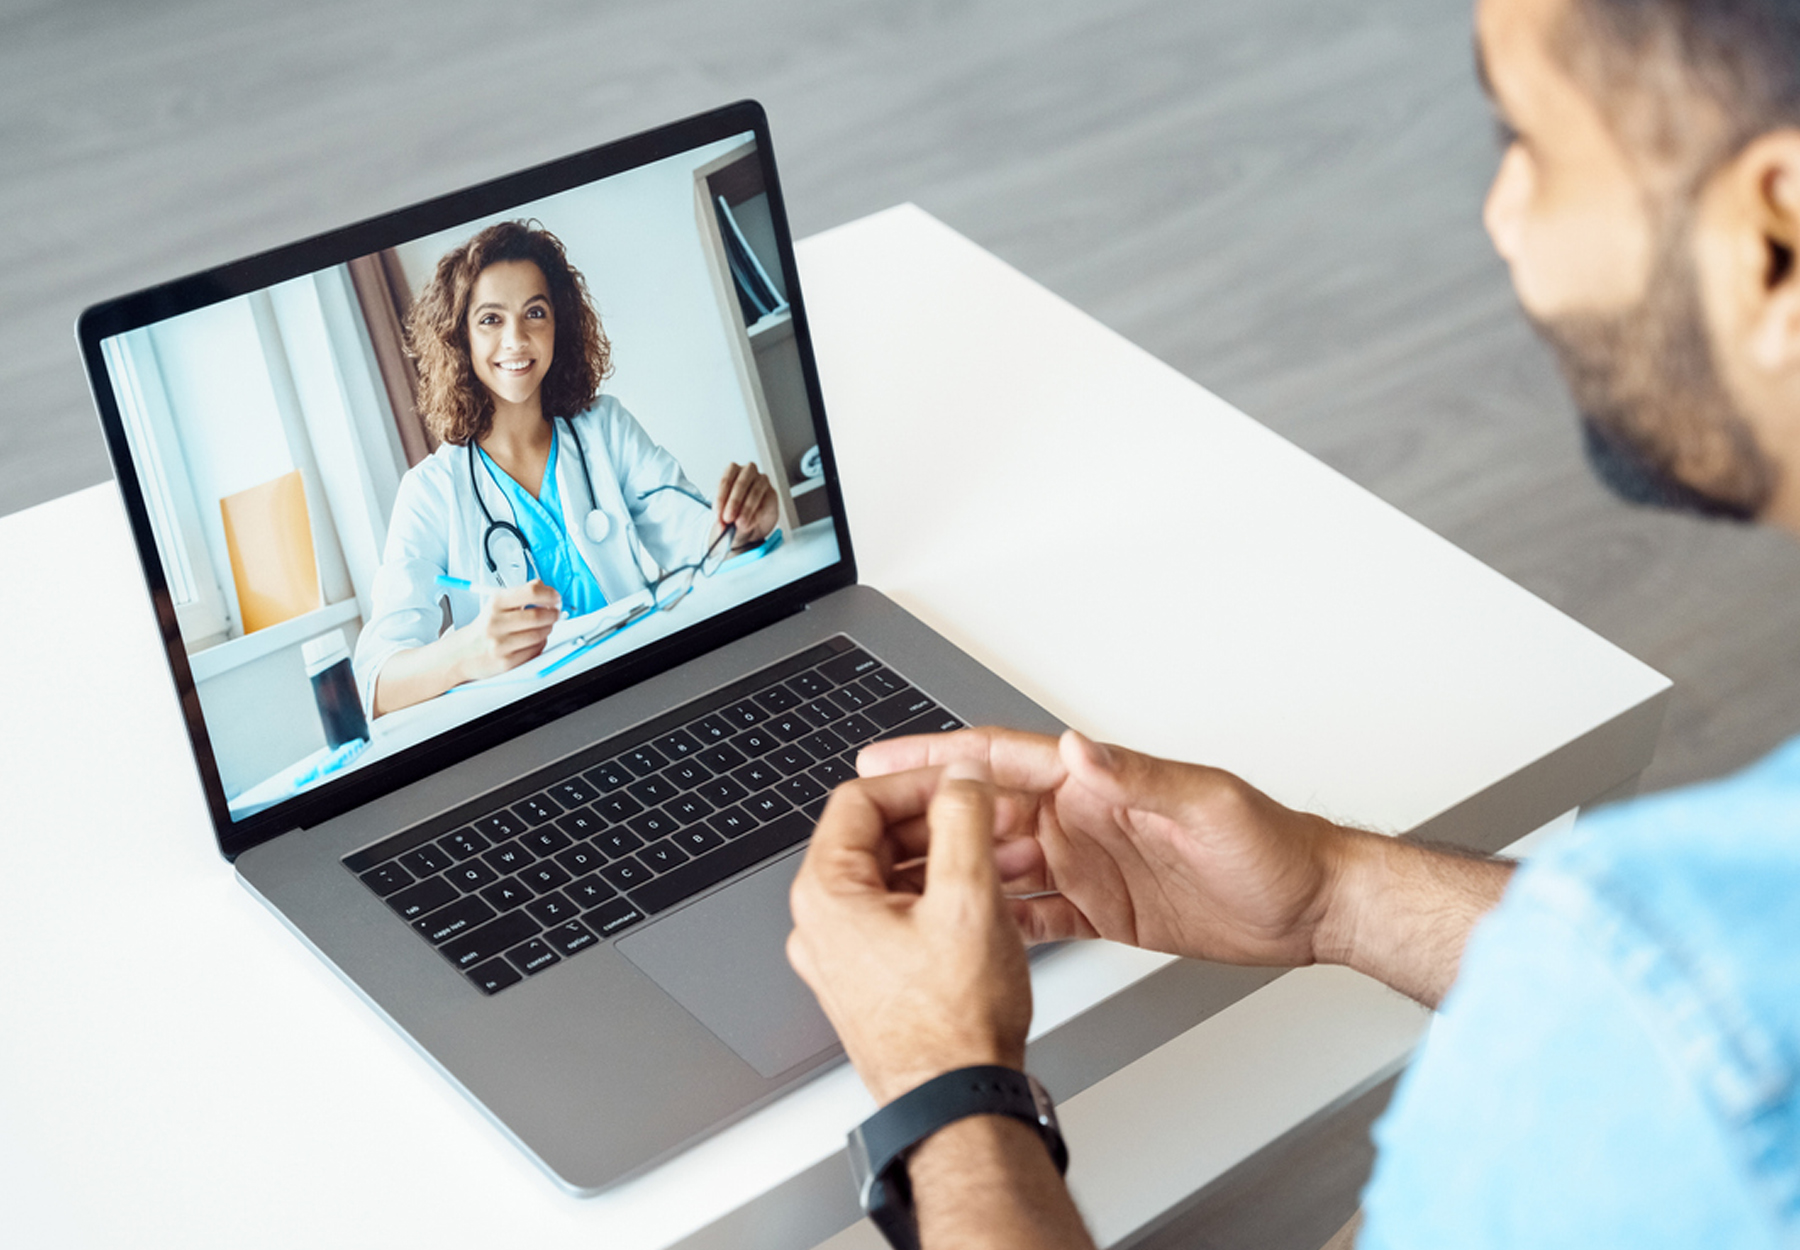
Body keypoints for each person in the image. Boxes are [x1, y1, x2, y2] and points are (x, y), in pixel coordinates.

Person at [785, 0, 1800, 1245]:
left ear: (1776, 230)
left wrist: (944, 1086)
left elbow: (1679, 1022)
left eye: (1526, 139)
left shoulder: (1660, 1045)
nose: (1502, 215)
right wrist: (1333, 891)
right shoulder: (1685, 968)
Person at [353, 220, 779, 716]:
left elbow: (699, 540)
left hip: (651, 690)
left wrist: (744, 525)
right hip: (534, 731)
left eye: (535, 312)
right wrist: (467, 651)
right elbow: (377, 682)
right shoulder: (429, 492)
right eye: (491, 319)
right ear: (460, 337)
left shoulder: (605, 430)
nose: (516, 339)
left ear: (560, 325)